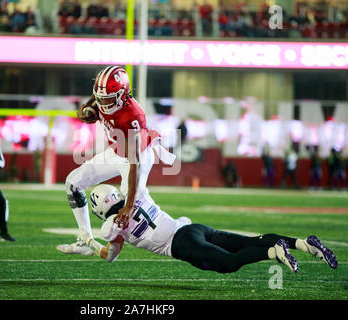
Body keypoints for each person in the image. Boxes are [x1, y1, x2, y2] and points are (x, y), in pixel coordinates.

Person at [80, 184, 338, 274]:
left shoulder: (109, 227)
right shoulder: (137, 193)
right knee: (246, 242)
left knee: (229, 263)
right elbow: (135, 177)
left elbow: (110, 255)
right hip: (194, 229)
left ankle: (274, 253)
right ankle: (303, 243)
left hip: (182, 244)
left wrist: (89, 241)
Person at [56, 66, 174, 256]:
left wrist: (128, 205)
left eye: (108, 98)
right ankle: (85, 239)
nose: (103, 102)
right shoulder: (103, 96)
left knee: (134, 205)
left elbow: (134, 162)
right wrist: (86, 111)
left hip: (137, 157)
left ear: (123, 94)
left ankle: (171, 230)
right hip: (117, 151)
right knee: (72, 183)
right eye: (99, 97)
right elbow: (85, 109)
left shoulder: (133, 116)